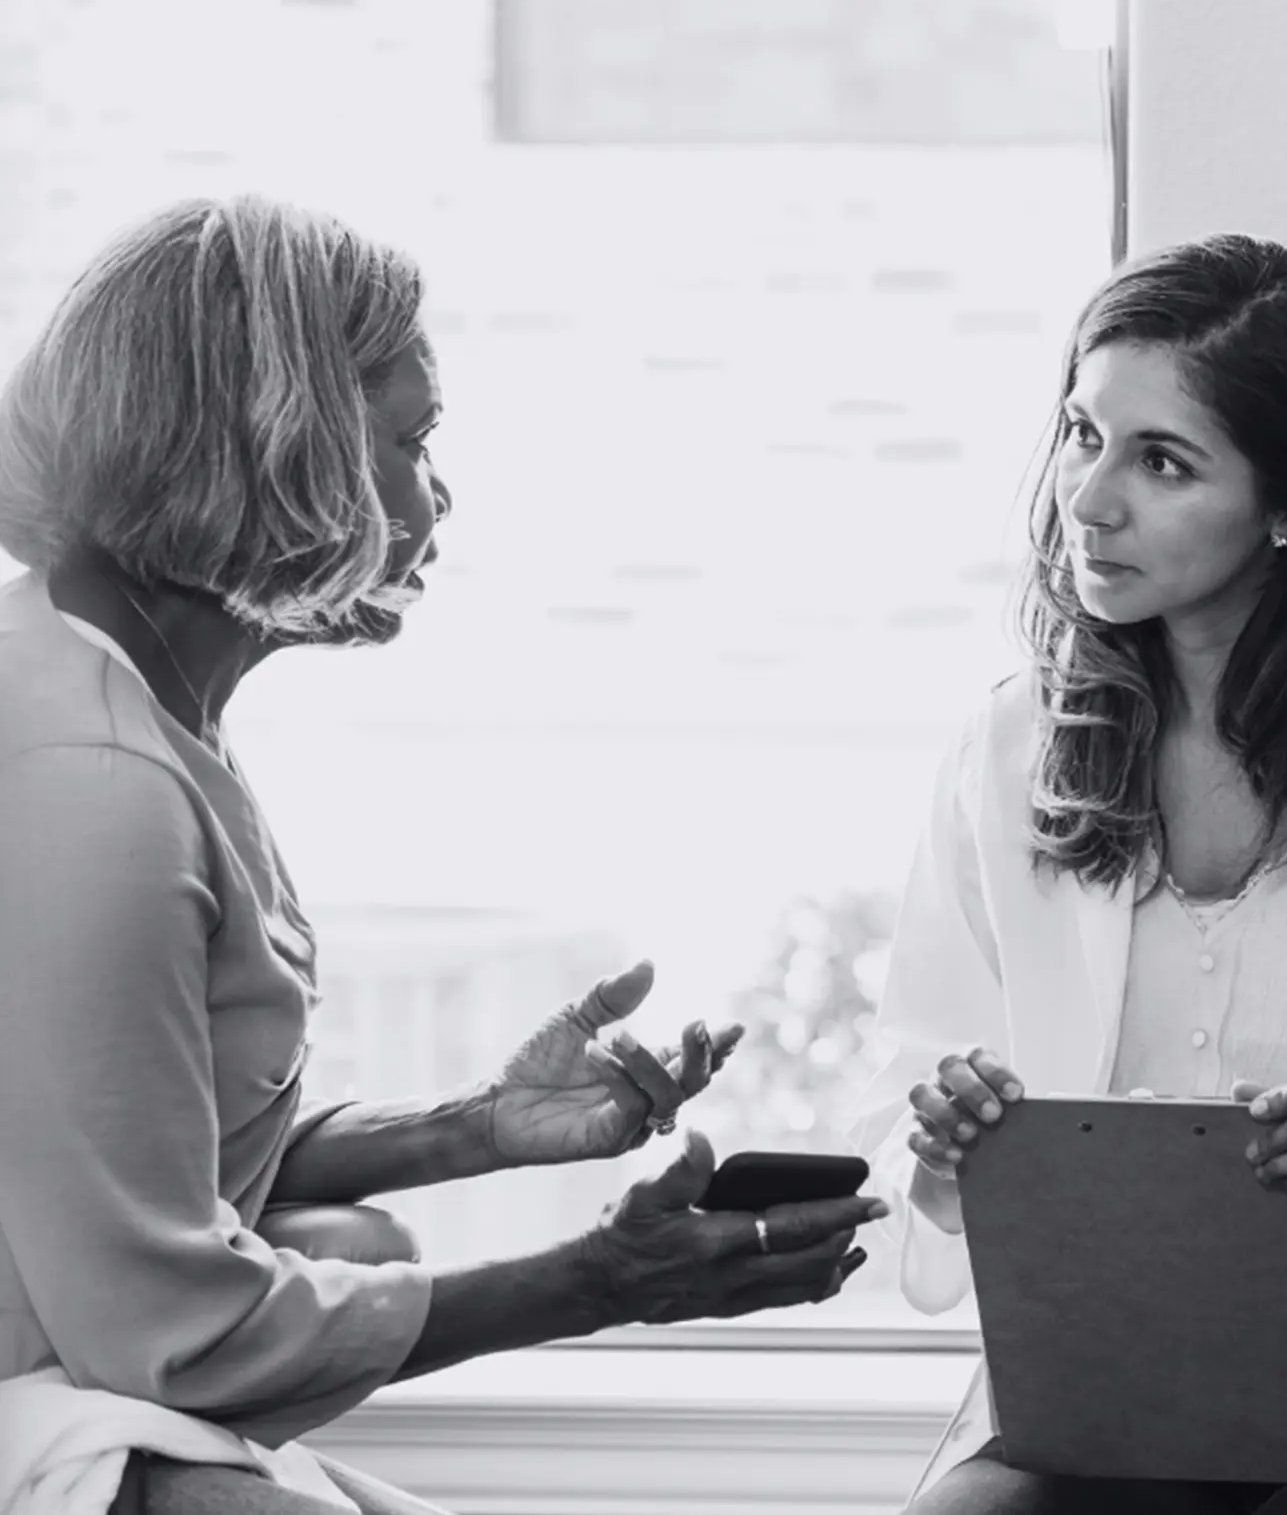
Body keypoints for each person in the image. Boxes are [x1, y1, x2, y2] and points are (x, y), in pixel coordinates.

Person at [0, 195, 888, 1515]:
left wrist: (476, 1127)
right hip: (58, 1395)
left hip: (83, 1369)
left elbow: (110, 1154)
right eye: (413, 441)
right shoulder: (94, 782)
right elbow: (164, 1330)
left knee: (366, 1253)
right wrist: (606, 1281)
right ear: (270, 453)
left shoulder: (136, 705)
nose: (441, 494)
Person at [852, 233, 1287, 1515]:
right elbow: (903, 1089)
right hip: (1101, 1393)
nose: (1088, 501)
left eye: (1160, 461)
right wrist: (948, 1136)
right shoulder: (1010, 747)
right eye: (1082, 434)